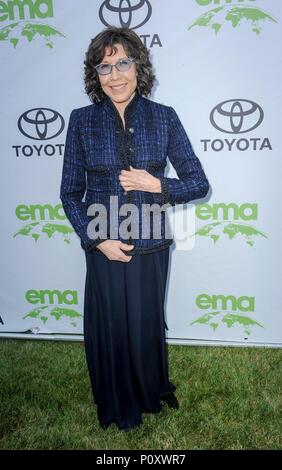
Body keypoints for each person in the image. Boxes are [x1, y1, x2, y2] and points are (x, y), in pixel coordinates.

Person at [60, 26, 210, 432]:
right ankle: (116, 403)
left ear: (137, 66)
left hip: (153, 242)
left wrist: (156, 183)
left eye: (122, 63)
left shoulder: (164, 117)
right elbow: (70, 193)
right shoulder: (82, 122)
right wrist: (97, 241)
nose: (115, 75)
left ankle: (151, 391)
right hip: (104, 242)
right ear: (96, 74)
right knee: (110, 325)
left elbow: (198, 183)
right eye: (104, 67)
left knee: (146, 321)